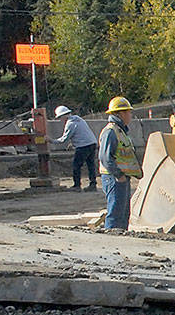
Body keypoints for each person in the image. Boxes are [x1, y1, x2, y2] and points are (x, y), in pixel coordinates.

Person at [98, 96, 142, 230]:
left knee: (123, 213)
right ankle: (112, 239)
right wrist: (118, 175)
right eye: (128, 112)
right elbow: (105, 157)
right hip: (114, 178)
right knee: (116, 212)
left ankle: (122, 238)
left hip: (121, 177)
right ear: (120, 113)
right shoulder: (111, 132)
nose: (130, 115)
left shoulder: (120, 131)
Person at [52, 105, 98, 191]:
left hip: (83, 146)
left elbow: (63, 139)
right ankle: (93, 184)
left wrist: (50, 140)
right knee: (90, 165)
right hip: (92, 143)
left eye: (60, 118)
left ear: (63, 116)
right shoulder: (79, 119)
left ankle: (77, 186)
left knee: (76, 166)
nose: (60, 120)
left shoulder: (70, 124)